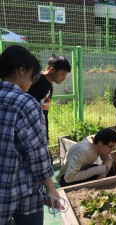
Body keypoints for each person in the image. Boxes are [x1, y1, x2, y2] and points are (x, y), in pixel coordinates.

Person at [0, 45, 60, 225]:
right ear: (21, 70)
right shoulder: (25, 103)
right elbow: (37, 153)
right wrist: (50, 187)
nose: (32, 82)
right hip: (22, 193)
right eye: (32, 76)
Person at [27, 54, 71, 144]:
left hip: (39, 132)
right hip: (29, 132)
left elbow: (44, 112)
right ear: (51, 70)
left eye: (65, 75)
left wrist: (46, 136)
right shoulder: (37, 81)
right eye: (62, 74)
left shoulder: (49, 87)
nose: (64, 78)